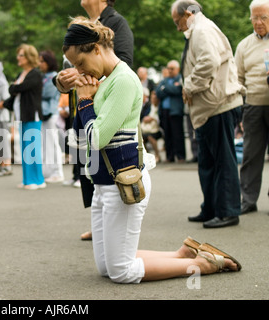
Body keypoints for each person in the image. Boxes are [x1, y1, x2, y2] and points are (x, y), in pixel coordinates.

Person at [63, 16, 240, 284]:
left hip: (122, 184)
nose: (79, 70)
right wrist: (80, 95)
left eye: (80, 62)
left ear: (96, 49)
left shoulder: (123, 80)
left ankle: (201, 265)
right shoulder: (102, 80)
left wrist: (85, 101)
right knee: (105, 268)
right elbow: (80, 133)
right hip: (103, 184)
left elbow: (96, 138)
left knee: (121, 271)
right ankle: (183, 254)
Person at [55, 0, 134, 241]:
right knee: (87, 163)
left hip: (102, 99)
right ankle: (97, 217)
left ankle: (106, 219)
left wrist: (81, 76)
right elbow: (67, 71)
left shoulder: (117, 22)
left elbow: (122, 62)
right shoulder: (81, 25)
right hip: (82, 100)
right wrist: (62, 81)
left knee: (101, 155)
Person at [172, 0, 245, 228]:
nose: (178, 27)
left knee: (222, 161)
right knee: (209, 161)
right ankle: (212, 208)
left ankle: (227, 212)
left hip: (219, 105)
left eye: (178, 21)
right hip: (211, 106)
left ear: (187, 13)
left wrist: (190, 86)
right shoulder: (200, 30)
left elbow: (209, 62)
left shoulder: (203, 30)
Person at [235, 0, 269, 215]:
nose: (258, 22)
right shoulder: (244, 45)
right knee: (250, 155)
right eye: (254, 18)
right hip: (253, 105)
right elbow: (236, 78)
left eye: (263, 17)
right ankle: (248, 200)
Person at [6, 44, 45, 190]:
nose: (18, 58)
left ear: (29, 57)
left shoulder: (34, 74)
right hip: (22, 115)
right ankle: (28, 179)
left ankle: (37, 180)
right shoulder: (20, 74)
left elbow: (17, 88)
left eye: (21, 55)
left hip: (31, 115)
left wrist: (14, 87)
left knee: (32, 148)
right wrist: (13, 88)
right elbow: (12, 90)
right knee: (25, 148)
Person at [39, 50, 64, 183]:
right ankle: (48, 171)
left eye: (42, 61)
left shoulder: (54, 76)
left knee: (52, 142)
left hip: (50, 112)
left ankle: (58, 172)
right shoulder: (44, 76)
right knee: (45, 143)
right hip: (43, 113)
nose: (40, 64)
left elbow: (46, 92)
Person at [156, 60, 186, 163]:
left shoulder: (180, 79)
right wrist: (168, 89)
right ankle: (170, 156)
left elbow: (177, 90)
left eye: (172, 69)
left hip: (175, 111)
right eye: (168, 68)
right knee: (167, 135)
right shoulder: (164, 80)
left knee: (177, 135)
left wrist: (165, 89)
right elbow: (158, 92)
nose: (169, 70)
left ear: (177, 69)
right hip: (165, 111)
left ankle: (181, 156)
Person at [141, 90, 162, 163]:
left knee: (151, 137)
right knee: (142, 138)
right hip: (148, 129)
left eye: (155, 98)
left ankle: (157, 155)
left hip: (157, 129)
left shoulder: (160, 107)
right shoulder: (149, 106)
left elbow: (160, 118)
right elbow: (144, 116)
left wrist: (152, 118)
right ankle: (147, 155)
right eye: (152, 98)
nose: (153, 99)